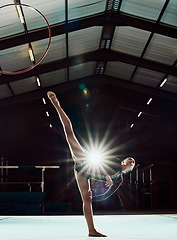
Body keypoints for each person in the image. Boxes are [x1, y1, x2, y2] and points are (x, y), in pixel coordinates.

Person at [47, 91, 135, 237]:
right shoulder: (115, 161)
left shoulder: (119, 179)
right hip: (84, 161)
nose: (131, 161)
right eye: (130, 159)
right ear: (124, 161)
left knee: (87, 201)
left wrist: (94, 194)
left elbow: (107, 193)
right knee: (70, 134)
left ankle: (91, 230)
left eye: (132, 162)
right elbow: (99, 162)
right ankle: (56, 104)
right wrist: (107, 175)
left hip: (82, 173)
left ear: (130, 169)